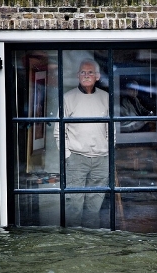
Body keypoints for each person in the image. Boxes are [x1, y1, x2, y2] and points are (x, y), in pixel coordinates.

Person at [54, 58, 109, 228]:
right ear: (78, 75)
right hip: (76, 159)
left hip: (101, 159)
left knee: (94, 207)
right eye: (83, 72)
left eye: (90, 72)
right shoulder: (68, 98)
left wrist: (109, 150)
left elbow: (111, 128)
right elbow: (58, 131)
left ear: (97, 76)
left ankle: (92, 244)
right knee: (74, 206)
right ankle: (73, 243)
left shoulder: (106, 98)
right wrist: (68, 156)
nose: (86, 75)